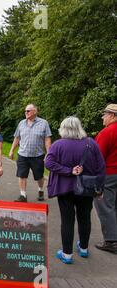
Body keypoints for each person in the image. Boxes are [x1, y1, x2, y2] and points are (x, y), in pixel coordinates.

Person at [45, 117, 106, 264]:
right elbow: (101, 167)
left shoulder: (58, 145)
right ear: (79, 127)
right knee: (85, 218)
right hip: (87, 188)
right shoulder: (91, 143)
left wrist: (68, 171)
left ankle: (67, 254)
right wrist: (100, 188)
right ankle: (84, 248)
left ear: (63, 128)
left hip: (64, 189)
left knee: (67, 221)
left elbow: (48, 162)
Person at [9, 104, 52, 202]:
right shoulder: (21, 123)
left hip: (37, 155)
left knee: (39, 176)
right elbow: (17, 138)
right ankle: (23, 195)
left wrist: (48, 154)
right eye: (25, 111)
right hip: (22, 154)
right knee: (21, 174)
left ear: (35, 111)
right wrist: (12, 150)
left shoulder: (43, 123)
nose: (26, 113)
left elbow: (47, 139)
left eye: (28, 111)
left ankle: (40, 190)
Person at [94, 103, 117, 254]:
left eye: (105, 114)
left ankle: (111, 241)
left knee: (104, 204)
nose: (103, 117)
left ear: (113, 116)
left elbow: (98, 157)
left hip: (109, 173)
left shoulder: (107, 132)